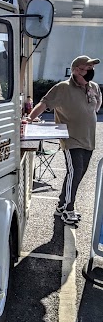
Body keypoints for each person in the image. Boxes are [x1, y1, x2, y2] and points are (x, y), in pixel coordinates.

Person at [28, 55, 102, 225]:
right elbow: (44, 104)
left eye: (92, 69)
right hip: (71, 139)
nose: (90, 71)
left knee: (79, 174)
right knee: (74, 172)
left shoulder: (94, 87)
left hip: (88, 139)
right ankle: (68, 209)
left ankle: (62, 204)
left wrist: (91, 107)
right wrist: (30, 119)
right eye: (86, 68)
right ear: (76, 70)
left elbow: (97, 104)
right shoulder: (63, 88)